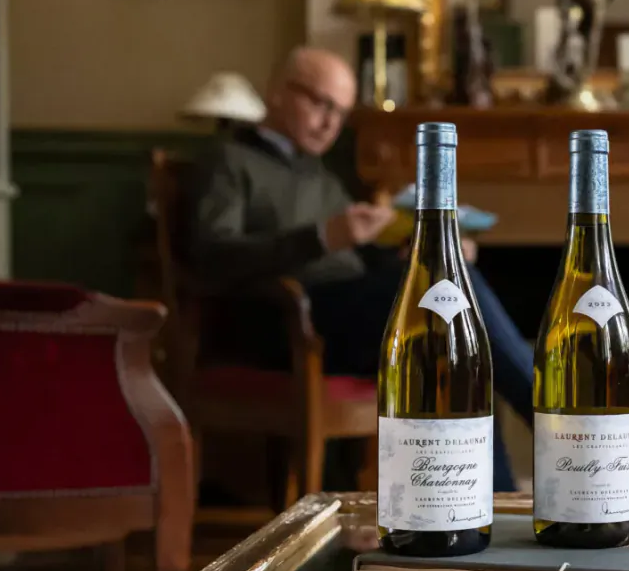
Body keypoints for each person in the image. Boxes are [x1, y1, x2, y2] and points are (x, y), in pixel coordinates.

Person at [184, 46, 534, 490]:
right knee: (447, 294)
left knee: (454, 325)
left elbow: (355, 258)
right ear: (276, 93)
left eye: (341, 112)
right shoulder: (228, 160)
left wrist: (413, 252)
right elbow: (213, 257)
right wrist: (322, 236)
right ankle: (551, 415)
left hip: (350, 315)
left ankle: (494, 506)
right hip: (285, 321)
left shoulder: (321, 177)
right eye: (320, 103)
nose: (330, 123)